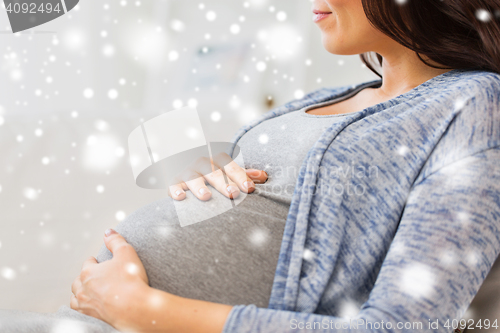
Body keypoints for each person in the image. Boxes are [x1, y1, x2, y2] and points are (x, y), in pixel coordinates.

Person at [1, 0, 500, 332]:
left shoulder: (475, 102)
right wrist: (208, 184)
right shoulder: (323, 99)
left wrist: (142, 309)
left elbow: (403, 327)